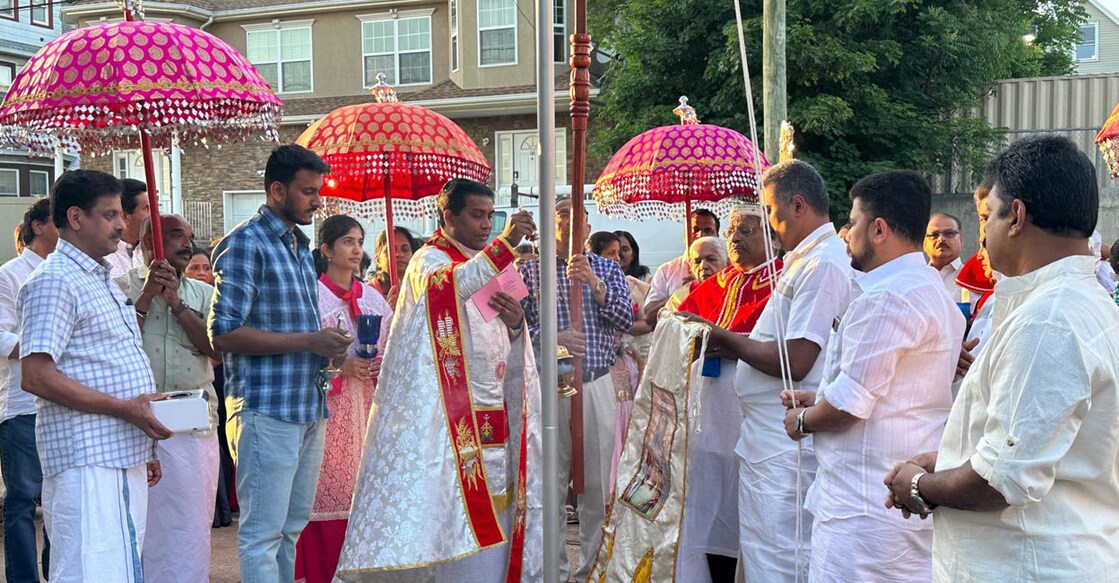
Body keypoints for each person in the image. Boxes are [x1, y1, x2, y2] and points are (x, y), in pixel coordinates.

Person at [885, 136, 1119, 582]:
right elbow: (1034, 443)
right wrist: (948, 460)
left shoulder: (1048, 320)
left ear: (1017, 217)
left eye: (988, 215)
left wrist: (917, 486)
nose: (984, 232)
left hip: (1026, 564)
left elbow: (1001, 479)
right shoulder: (1079, 303)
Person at [336, 179, 540, 581]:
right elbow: (453, 286)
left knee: (497, 517)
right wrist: (505, 243)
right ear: (449, 217)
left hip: (495, 409)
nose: (485, 225)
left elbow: (506, 326)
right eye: (477, 215)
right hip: (447, 422)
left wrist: (516, 323)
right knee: (452, 522)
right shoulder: (427, 261)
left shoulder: (491, 262)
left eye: (489, 216)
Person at [784, 171, 964, 583]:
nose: (848, 234)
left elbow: (850, 406)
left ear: (879, 229)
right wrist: (821, 399)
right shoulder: (931, 288)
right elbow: (891, 390)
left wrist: (800, 421)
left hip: (863, 510)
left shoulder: (887, 297)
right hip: (899, 502)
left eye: (855, 222)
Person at [18, 170, 172, 582]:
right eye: (109, 215)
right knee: (90, 570)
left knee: (121, 568)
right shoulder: (53, 281)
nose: (122, 225)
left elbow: (109, 365)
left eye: (121, 214)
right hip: (86, 457)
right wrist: (127, 410)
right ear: (75, 217)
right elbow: (35, 376)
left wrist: (141, 442)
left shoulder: (101, 279)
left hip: (120, 452)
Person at [704, 160, 853, 582]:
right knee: (761, 553)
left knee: (781, 558)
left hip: (785, 442)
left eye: (770, 211)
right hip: (767, 439)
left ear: (798, 206)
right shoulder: (803, 259)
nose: (771, 224)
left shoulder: (822, 262)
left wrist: (725, 339)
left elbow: (799, 358)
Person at [208, 145, 353, 583]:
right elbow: (223, 333)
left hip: (307, 405)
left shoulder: (297, 246)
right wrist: (310, 340)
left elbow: (297, 331)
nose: (317, 201)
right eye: (308, 191)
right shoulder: (245, 243)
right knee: (262, 534)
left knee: (290, 531)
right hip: (265, 408)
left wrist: (329, 349)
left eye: (318, 191)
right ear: (277, 189)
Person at [520, 198, 635, 581]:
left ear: (587, 228)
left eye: (578, 216)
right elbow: (509, 328)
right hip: (551, 384)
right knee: (550, 484)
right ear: (546, 225)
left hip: (596, 382)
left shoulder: (607, 267)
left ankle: (590, 569)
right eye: (562, 214)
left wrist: (594, 283)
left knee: (596, 486)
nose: (571, 222)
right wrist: (554, 338)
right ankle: (553, 571)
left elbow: (626, 317)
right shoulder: (528, 270)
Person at [675, 208, 780, 582]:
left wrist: (727, 342)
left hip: (753, 410)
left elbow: (784, 348)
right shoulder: (718, 282)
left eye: (746, 230)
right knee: (708, 488)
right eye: (732, 230)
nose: (735, 237)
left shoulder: (782, 280)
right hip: (708, 408)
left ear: (772, 238)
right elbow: (677, 322)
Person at [116, 214, 220, 583]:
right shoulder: (119, 288)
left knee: (188, 525)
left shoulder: (206, 293)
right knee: (138, 526)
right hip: (133, 424)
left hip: (191, 429)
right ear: (149, 243)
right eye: (175, 236)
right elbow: (115, 343)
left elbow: (216, 350)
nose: (186, 244)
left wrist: (176, 304)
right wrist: (146, 296)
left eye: (189, 236)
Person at [296, 215, 392, 583]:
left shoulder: (372, 297)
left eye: (359, 241)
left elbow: (389, 348)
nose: (356, 249)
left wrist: (378, 365)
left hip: (366, 411)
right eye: (347, 242)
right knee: (326, 497)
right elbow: (302, 358)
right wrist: (342, 369)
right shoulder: (311, 297)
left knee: (364, 496)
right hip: (329, 414)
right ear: (326, 249)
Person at [0, 198, 57, 582]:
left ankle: (59, 573)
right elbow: (1, 336)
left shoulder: (73, 271)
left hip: (64, 402)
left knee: (59, 500)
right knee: (22, 500)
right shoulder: (10, 274)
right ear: (38, 226)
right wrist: (47, 345)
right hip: (22, 403)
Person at [643, 209, 720, 324]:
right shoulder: (667, 270)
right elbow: (649, 317)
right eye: (695, 230)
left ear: (717, 235)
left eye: (708, 231)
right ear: (685, 235)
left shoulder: (727, 268)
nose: (701, 235)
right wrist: (681, 293)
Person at [665, 236, 728, 311]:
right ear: (691, 266)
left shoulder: (739, 290)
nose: (703, 266)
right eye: (697, 262)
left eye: (711, 259)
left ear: (728, 263)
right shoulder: (682, 296)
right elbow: (668, 319)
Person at [105, 178, 151, 278]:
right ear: (125, 216)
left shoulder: (152, 252)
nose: (152, 215)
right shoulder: (104, 257)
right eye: (146, 209)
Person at [924, 212, 970, 305]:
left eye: (949, 233)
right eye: (935, 235)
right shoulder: (917, 278)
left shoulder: (972, 279)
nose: (941, 239)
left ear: (961, 241)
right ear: (924, 244)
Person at [369, 225, 418, 306]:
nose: (399, 254)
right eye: (391, 250)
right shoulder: (368, 293)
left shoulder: (421, 288)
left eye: (405, 250)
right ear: (378, 260)